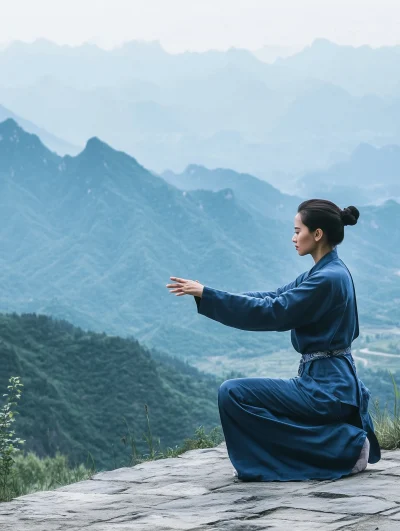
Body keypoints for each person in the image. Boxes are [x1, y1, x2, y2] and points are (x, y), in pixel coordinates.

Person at [166, 199, 381, 481]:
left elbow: (273, 312)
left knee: (233, 394)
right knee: (245, 397)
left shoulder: (327, 279)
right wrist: (210, 293)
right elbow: (272, 296)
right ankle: (337, 442)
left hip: (327, 390)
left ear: (317, 234)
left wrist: (209, 294)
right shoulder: (325, 272)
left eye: (297, 230)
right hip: (327, 383)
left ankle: (344, 447)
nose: (293, 238)